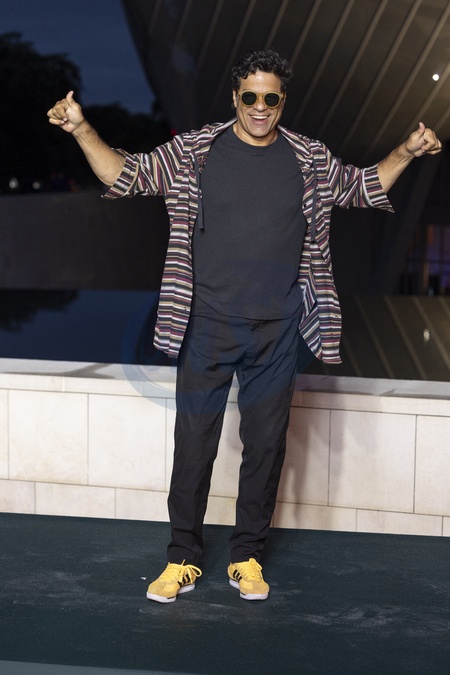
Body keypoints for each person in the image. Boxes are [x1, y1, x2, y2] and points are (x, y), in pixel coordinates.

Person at [48, 49, 441, 604]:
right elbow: (126, 175)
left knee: (266, 448)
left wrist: (406, 150)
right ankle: (182, 558)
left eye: (270, 97)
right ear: (235, 97)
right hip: (206, 326)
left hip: (278, 333)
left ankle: (247, 557)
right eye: (250, 97)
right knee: (194, 448)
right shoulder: (195, 152)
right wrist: (81, 129)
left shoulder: (308, 158)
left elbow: (360, 186)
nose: (260, 107)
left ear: (283, 101)